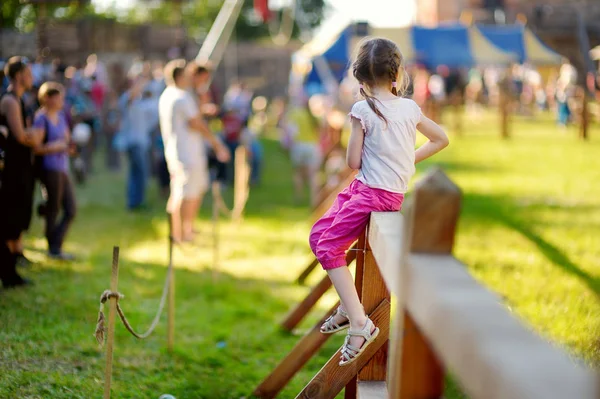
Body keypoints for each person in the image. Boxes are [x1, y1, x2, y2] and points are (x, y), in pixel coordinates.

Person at [309, 38, 448, 366]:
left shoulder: (362, 109)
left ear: (360, 77)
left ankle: (360, 323)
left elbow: (353, 161)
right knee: (319, 235)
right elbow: (441, 138)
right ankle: (349, 307)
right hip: (381, 192)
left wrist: (360, 134)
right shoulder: (410, 108)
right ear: (397, 72)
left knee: (327, 247)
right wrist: (407, 159)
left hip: (370, 191)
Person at [158, 59, 230, 243]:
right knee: (185, 193)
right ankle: (181, 234)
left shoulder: (170, 95)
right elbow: (195, 123)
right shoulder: (181, 97)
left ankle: (183, 231)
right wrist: (217, 145)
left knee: (187, 191)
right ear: (180, 76)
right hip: (186, 153)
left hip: (182, 151)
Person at [0, 57, 45, 288]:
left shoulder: (22, 99)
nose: (32, 77)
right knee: (11, 214)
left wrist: (33, 134)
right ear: (19, 76)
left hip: (22, 166)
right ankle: (9, 271)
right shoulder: (9, 100)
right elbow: (21, 135)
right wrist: (34, 135)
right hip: (12, 169)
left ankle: (17, 257)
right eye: (28, 73)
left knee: (21, 211)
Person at [34, 82, 77, 260]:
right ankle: (53, 248)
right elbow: (37, 148)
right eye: (58, 98)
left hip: (62, 168)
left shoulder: (60, 116)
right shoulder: (41, 118)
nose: (61, 101)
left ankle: (55, 241)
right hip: (49, 168)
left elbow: (66, 141)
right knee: (53, 208)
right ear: (47, 98)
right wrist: (55, 147)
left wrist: (70, 147)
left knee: (70, 208)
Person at [119, 78, 158, 210]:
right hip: (133, 143)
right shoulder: (127, 100)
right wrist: (141, 82)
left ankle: (136, 201)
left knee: (138, 173)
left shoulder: (142, 103)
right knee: (139, 173)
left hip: (141, 142)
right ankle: (135, 202)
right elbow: (131, 95)